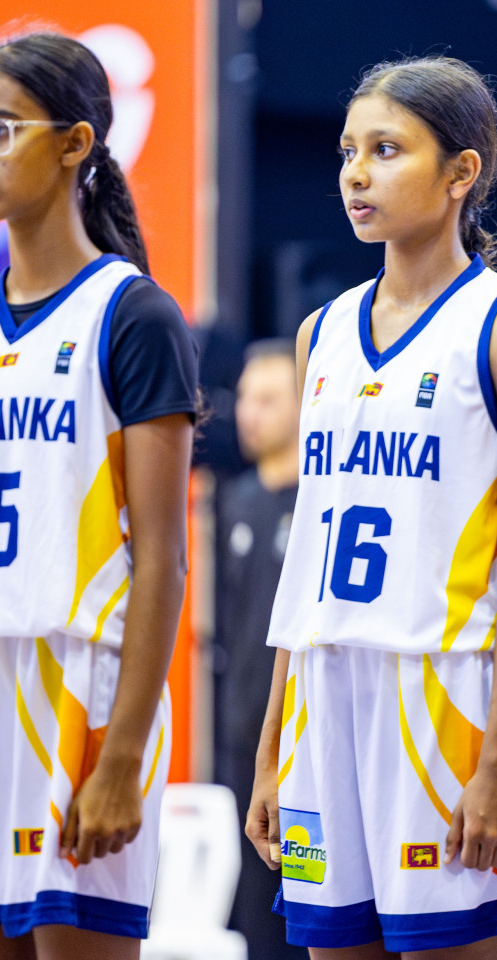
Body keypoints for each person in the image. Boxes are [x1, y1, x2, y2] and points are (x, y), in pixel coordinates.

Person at [245, 56, 497, 959]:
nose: (357, 172)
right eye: (349, 151)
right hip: (324, 692)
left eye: (386, 150)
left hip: (445, 694)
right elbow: (305, 562)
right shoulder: (321, 333)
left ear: (461, 171)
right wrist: (274, 743)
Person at [0, 32, 198, 958]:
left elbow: (162, 562)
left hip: (71, 684)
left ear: (75, 144)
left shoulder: (133, 314)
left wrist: (124, 756)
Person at [214, 339, 304, 959]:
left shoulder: (324, 502)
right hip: (241, 740)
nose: (249, 413)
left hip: (305, 741)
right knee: (254, 920)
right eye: (244, 398)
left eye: (267, 399)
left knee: (316, 913)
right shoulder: (234, 502)